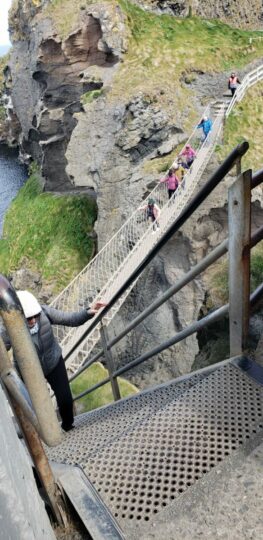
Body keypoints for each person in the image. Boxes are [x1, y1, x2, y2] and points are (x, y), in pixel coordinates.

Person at [1, 290, 105, 432]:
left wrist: (89, 311)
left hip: (53, 362)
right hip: (28, 371)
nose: (32, 320)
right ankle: (42, 434)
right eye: (28, 317)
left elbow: (70, 319)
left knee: (65, 400)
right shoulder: (10, 327)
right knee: (36, 406)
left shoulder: (44, 312)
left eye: (34, 316)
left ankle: (67, 426)